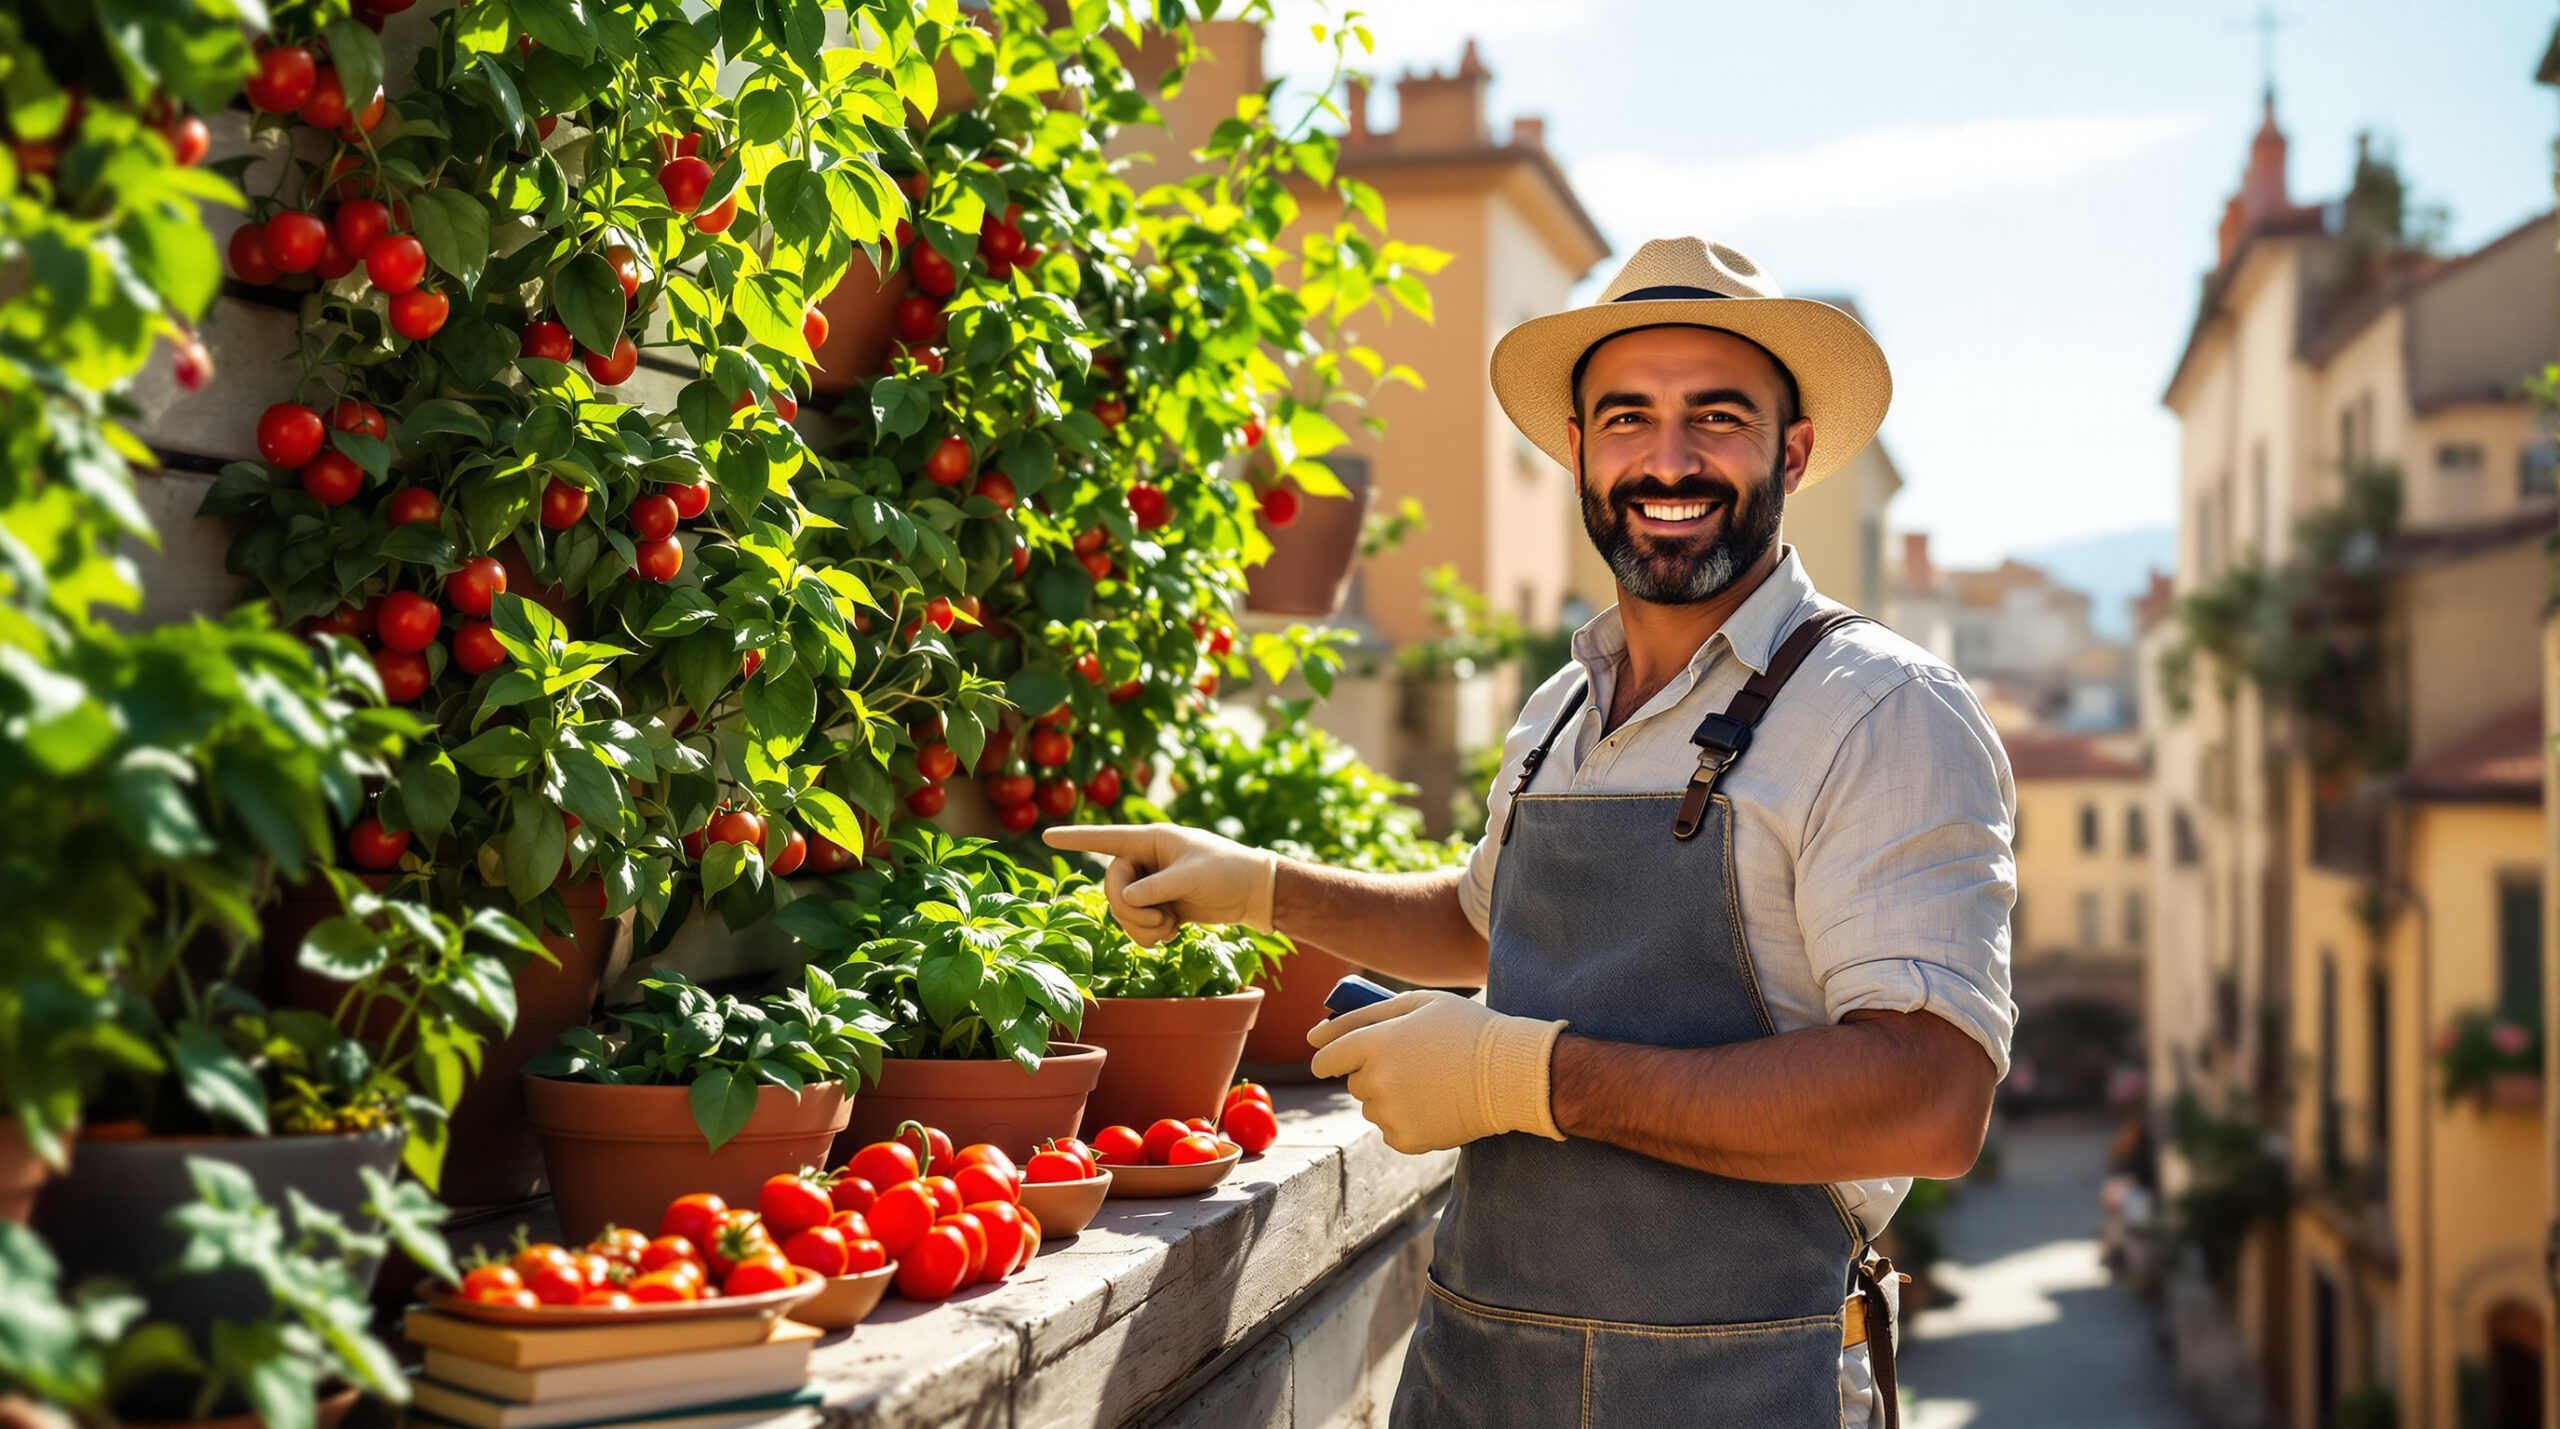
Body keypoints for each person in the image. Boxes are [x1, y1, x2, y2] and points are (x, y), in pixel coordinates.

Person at [1047, 237, 2016, 1428]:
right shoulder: (1565, 703)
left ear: (1793, 450)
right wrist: (1259, 886)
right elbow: (1480, 922)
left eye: (1715, 417)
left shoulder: (1880, 710)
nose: (1667, 460)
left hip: (1736, 1384)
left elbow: (1928, 1096)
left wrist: (1524, 1076)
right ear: (1576, 449)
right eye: (1626, 419)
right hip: (1476, 1362)